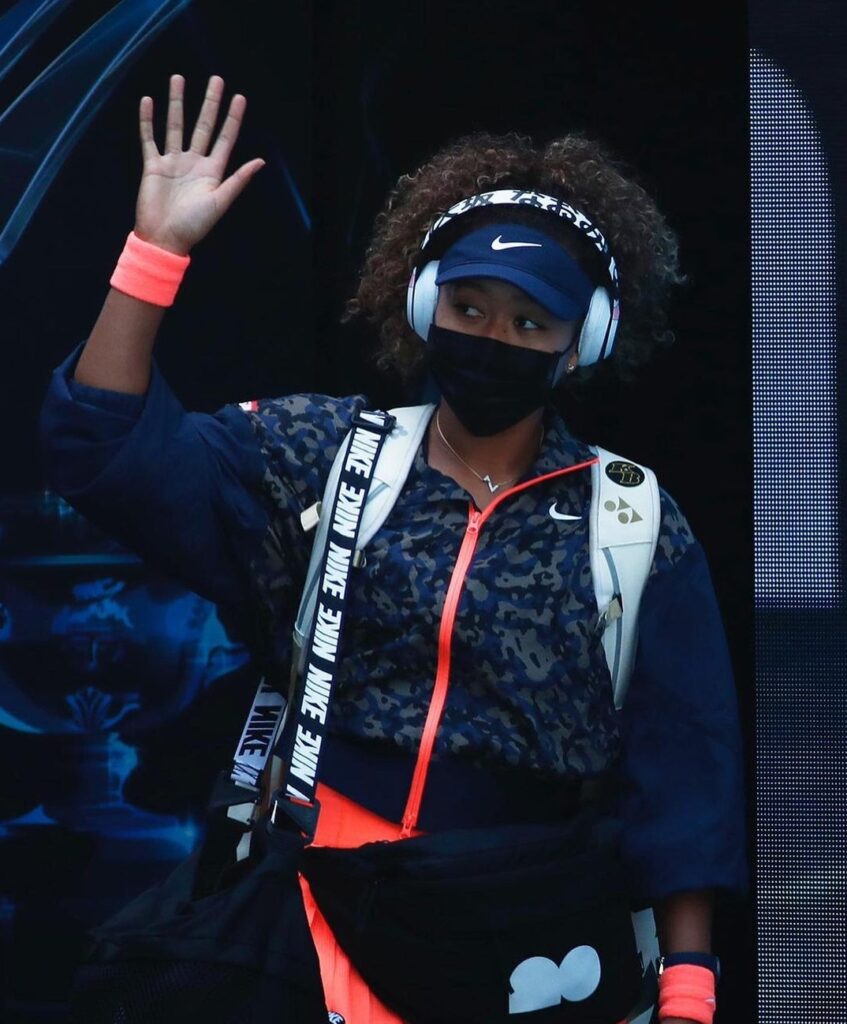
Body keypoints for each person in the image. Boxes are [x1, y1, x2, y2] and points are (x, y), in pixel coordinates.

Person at [38, 74, 749, 1024]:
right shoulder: (326, 456)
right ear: (421, 308)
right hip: (317, 916)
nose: (494, 336)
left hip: (521, 939)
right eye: (470, 306)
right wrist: (154, 253)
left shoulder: (632, 521)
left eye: (530, 321)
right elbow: (103, 445)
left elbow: (683, 774)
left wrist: (688, 991)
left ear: (581, 343)